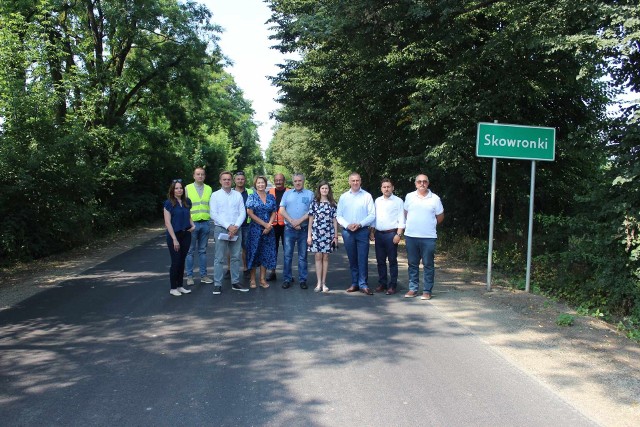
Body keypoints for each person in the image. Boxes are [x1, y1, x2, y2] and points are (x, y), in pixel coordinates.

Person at [403, 174, 444, 300]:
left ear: (428, 183)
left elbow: (440, 216)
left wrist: (430, 225)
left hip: (428, 237)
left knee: (428, 264)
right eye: (419, 181)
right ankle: (413, 289)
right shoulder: (409, 197)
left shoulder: (435, 199)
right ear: (416, 184)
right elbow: (405, 213)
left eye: (424, 181)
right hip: (411, 236)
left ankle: (427, 291)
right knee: (412, 264)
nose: (422, 184)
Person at [336, 172, 376, 295]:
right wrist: (347, 225)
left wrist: (360, 224)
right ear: (349, 182)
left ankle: (363, 284)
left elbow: (372, 215)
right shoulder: (343, 197)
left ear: (360, 181)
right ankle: (354, 283)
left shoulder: (367, 196)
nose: (355, 183)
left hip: (362, 231)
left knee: (363, 258)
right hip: (348, 232)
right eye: (352, 180)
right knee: (352, 258)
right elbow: (339, 215)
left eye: (357, 180)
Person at [209, 171, 248, 295]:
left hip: (236, 229)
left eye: (229, 179)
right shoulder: (215, 195)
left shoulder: (237, 195)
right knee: (219, 258)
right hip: (221, 229)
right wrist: (228, 226)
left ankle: (235, 282)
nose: (227, 181)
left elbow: (242, 212)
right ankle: (217, 284)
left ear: (232, 181)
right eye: (224, 179)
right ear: (220, 181)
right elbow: (213, 214)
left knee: (236, 257)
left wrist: (235, 226)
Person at [369, 178, 405, 295]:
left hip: (391, 234)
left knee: (392, 261)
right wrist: (372, 231)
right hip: (379, 234)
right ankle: (382, 283)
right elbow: (375, 218)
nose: (386, 189)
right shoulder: (377, 201)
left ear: (392, 188)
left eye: (388, 187)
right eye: (384, 187)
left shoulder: (398, 201)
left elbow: (401, 219)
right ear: (381, 189)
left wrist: (398, 234)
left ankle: (393, 285)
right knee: (380, 261)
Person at [280, 173, 314, 289]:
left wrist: (299, 221)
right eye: (295, 181)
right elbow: (282, 210)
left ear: (303, 181)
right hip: (289, 229)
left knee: (302, 256)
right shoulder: (287, 194)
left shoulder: (310, 194)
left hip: (303, 230)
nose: (298, 183)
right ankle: (287, 279)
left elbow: (311, 211)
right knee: (287, 255)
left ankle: (303, 280)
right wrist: (292, 222)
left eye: (300, 181)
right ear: (293, 182)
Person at [163, 179, 195, 296]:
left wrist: (192, 224)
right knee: (175, 262)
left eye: (180, 188)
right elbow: (167, 222)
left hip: (186, 234)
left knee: (182, 261)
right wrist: (174, 239)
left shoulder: (187, 201)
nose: (179, 190)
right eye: (176, 188)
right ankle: (173, 288)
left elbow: (188, 216)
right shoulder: (169, 203)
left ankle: (180, 286)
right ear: (172, 190)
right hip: (174, 236)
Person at [246, 176, 277, 289]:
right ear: (255, 184)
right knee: (254, 253)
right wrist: (264, 224)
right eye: (258, 183)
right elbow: (250, 213)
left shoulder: (271, 197)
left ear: (265, 184)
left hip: (268, 230)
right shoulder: (252, 197)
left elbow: (274, 212)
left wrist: (269, 225)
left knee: (265, 254)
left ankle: (262, 279)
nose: (260, 185)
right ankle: (253, 279)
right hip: (255, 230)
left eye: (262, 183)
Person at [307, 181, 339, 293]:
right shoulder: (314, 203)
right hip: (316, 233)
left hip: (328, 233)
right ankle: (318, 283)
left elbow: (335, 221)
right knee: (317, 257)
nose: (324, 190)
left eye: (326, 188)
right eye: (322, 188)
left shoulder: (333, 204)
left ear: (329, 190)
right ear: (319, 190)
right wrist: (309, 236)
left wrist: (335, 236)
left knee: (325, 257)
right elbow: (310, 220)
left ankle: (324, 283)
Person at [184, 167, 213, 286]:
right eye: (198, 174)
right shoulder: (187, 188)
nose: (200, 176)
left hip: (205, 223)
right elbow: (184, 206)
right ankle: (189, 276)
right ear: (194, 176)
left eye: (202, 174)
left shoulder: (209, 189)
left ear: (204, 176)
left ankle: (203, 275)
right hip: (192, 224)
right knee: (190, 251)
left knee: (203, 251)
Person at [266, 173, 289, 281]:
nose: (278, 182)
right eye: (276, 180)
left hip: (286, 225)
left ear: (284, 180)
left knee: (287, 250)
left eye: (280, 180)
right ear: (274, 181)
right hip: (273, 225)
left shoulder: (290, 192)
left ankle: (287, 273)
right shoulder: (269, 192)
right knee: (272, 250)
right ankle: (272, 272)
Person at [233, 171, 253, 277]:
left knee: (246, 247)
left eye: (242, 179)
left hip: (246, 224)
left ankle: (246, 268)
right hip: (233, 225)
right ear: (235, 180)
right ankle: (229, 269)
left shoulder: (250, 192)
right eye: (238, 179)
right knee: (231, 248)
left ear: (245, 180)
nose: (240, 181)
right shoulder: (230, 192)